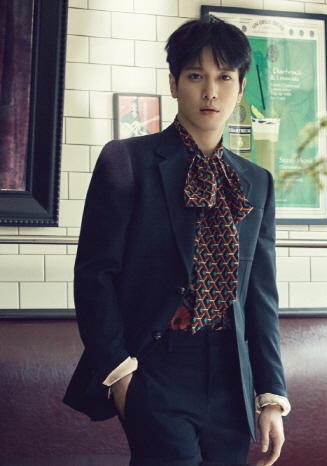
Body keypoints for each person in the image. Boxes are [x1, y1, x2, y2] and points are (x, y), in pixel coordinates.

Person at [63, 15, 289, 466]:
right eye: (196, 76)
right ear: (173, 83)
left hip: (231, 377)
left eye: (224, 77)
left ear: (241, 88)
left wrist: (270, 395)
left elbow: (260, 295)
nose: (211, 92)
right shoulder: (126, 161)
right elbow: (94, 275)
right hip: (155, 369)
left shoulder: (256, 182)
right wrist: (120, 374)